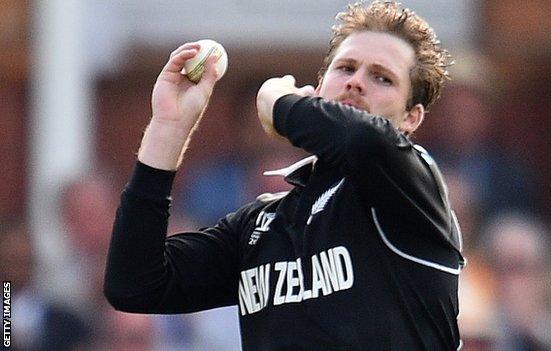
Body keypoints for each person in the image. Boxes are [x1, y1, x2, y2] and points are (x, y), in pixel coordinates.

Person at [104, 1, 465, 349]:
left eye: (382, 78)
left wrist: (273, 98)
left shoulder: (414, 187)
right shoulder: (262, 224)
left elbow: (362, 140)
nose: (356, 82)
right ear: (320, 86)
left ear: (410, 119)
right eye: (345, 68)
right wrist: (168, 128)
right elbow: (134, 283)